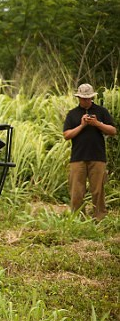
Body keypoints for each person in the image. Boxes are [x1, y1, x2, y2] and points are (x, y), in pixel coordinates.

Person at [63, 83, 116, 220]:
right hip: (78, 157)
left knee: (98, 190)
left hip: (97, 157)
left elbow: (113, 131)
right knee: (76, 191)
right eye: (83, 98)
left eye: (88, 98)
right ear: (78, 98)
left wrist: (97, 124)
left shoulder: (101, 111)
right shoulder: (72, 114)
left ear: (92, 97)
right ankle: (77, 218)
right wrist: (82, 125)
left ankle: (100, 218)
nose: (86, 101)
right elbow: (66, 135)